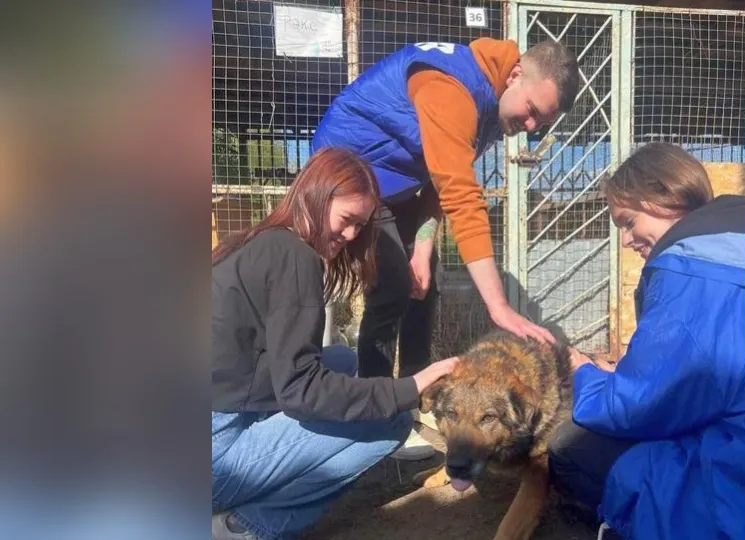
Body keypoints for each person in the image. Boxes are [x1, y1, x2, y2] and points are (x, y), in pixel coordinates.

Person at [310, 38, 580, 459]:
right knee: (394, 284)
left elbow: (438, 182)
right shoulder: (451, 88)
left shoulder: (493, 103)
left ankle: (416, 402)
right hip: (348, 177)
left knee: (425, 281)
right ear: (514, 76)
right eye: (531, 111)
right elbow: (460, 194)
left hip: (396, 185)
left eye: (540, 124)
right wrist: (498, 306)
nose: (530, 128)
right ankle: (374, 417)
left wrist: (423, 249)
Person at [211, 148, 459, 540]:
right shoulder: (295, 258)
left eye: (361, 226)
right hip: (213, 462)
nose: (351, 236)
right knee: (392, 419)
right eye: (347, 220)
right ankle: (247, 528)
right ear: (317, 195)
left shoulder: (260, 241)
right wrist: (409, 387)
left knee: (341, 360)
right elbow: (300, 392)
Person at [547, 143, 745, 539]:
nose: (625, 240)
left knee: (569, 448)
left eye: (627, 221)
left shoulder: (694, 273)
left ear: (663, 198)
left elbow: (639, 406)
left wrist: (587, 375)